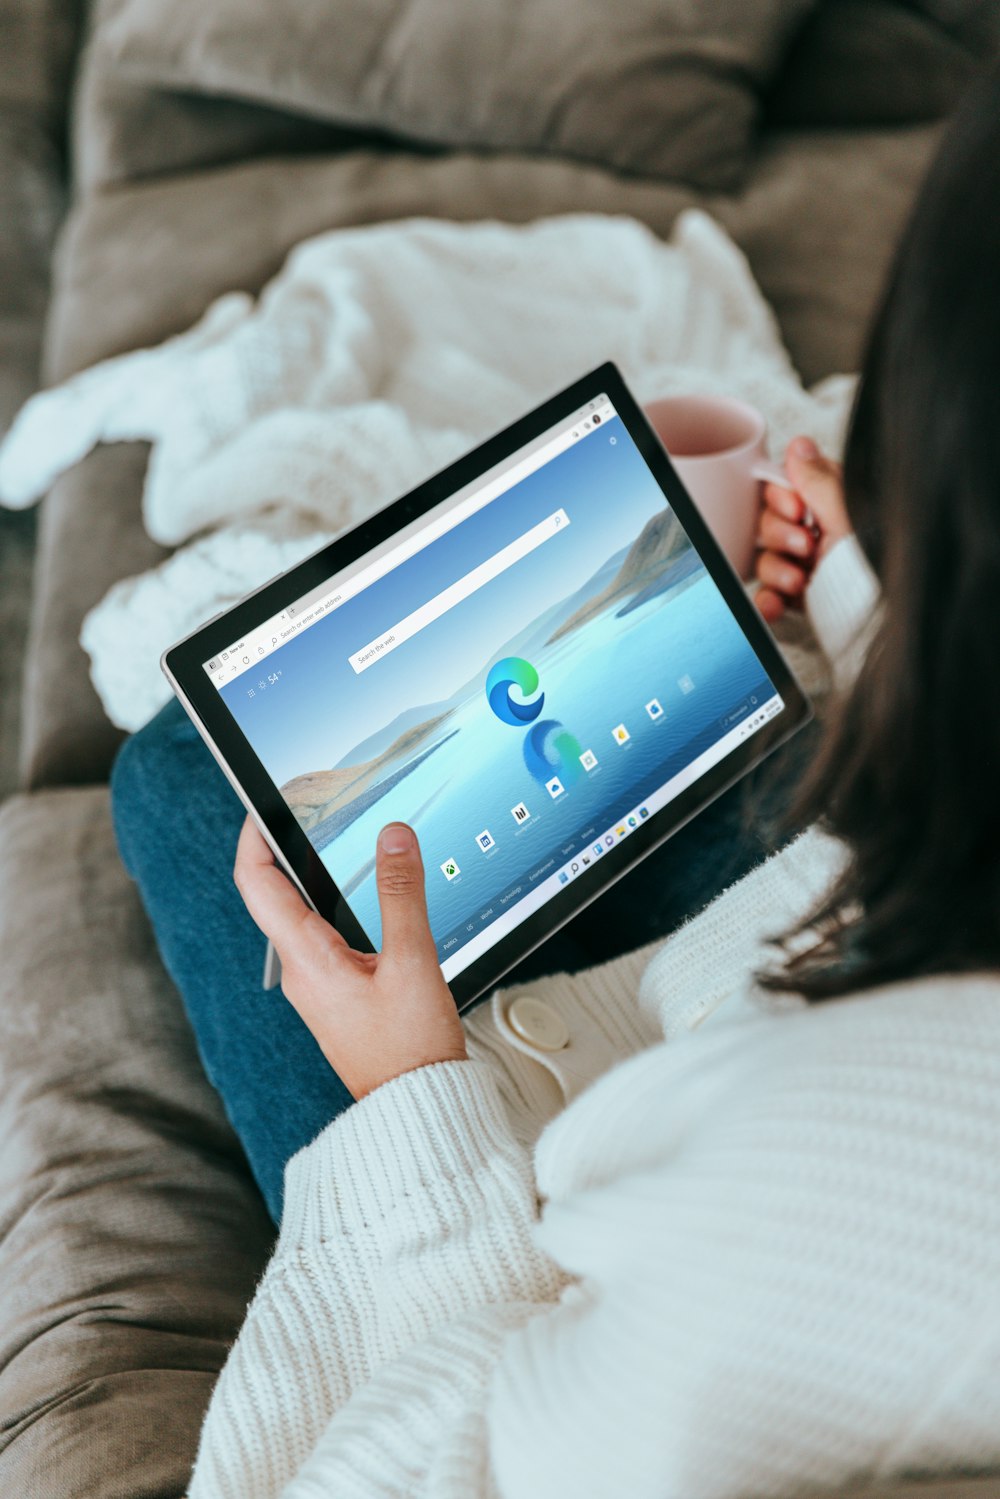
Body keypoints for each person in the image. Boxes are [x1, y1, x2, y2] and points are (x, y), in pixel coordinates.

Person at [110, 67, 1000, 1499]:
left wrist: (406, 1095)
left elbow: (427, 1466)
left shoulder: (858, 1191)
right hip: (787, 941)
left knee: (181, 783)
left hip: (529, 1166)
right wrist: (887, 613)